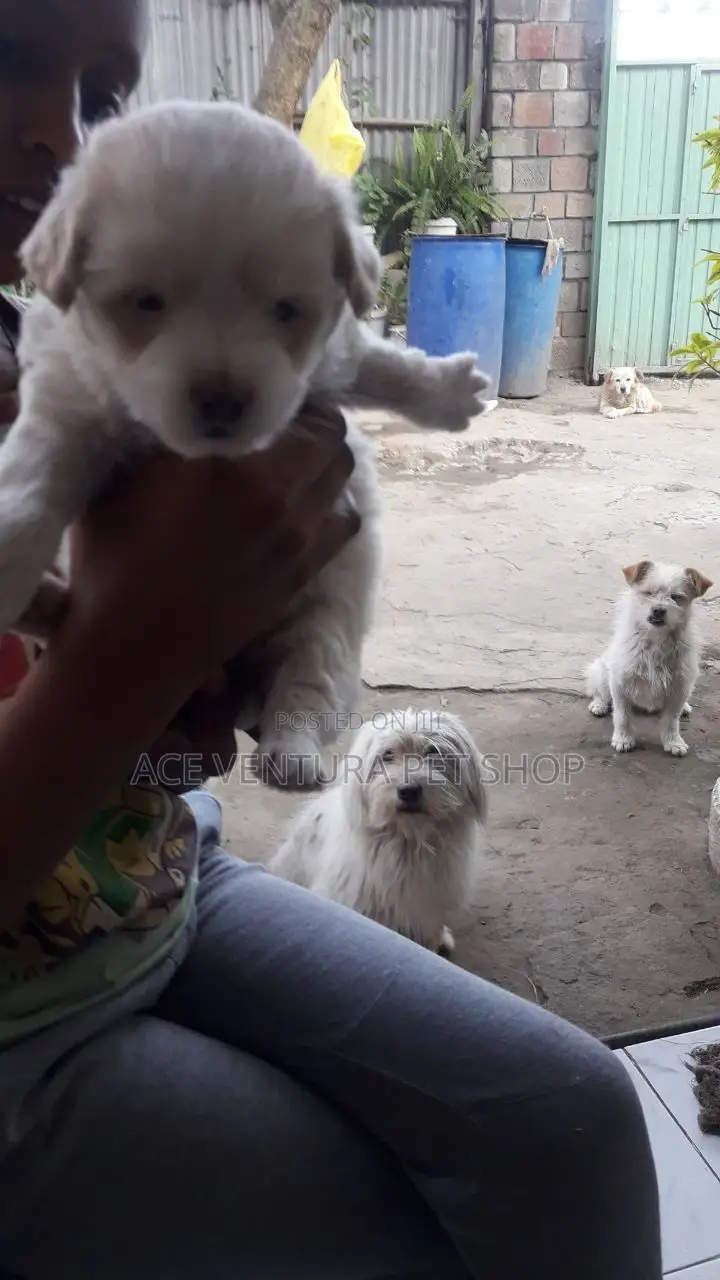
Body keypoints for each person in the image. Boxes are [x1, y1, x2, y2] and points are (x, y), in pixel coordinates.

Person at [0, 4, 662, 1278]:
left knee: (574, 1120)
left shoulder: (49, 326)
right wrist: (127, 653)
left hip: (155, 880)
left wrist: (185, 702)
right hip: (24, 1029)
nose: (58, 134)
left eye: (106, 88)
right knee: (392, 1231)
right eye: (9, 56)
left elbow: (165, 735)